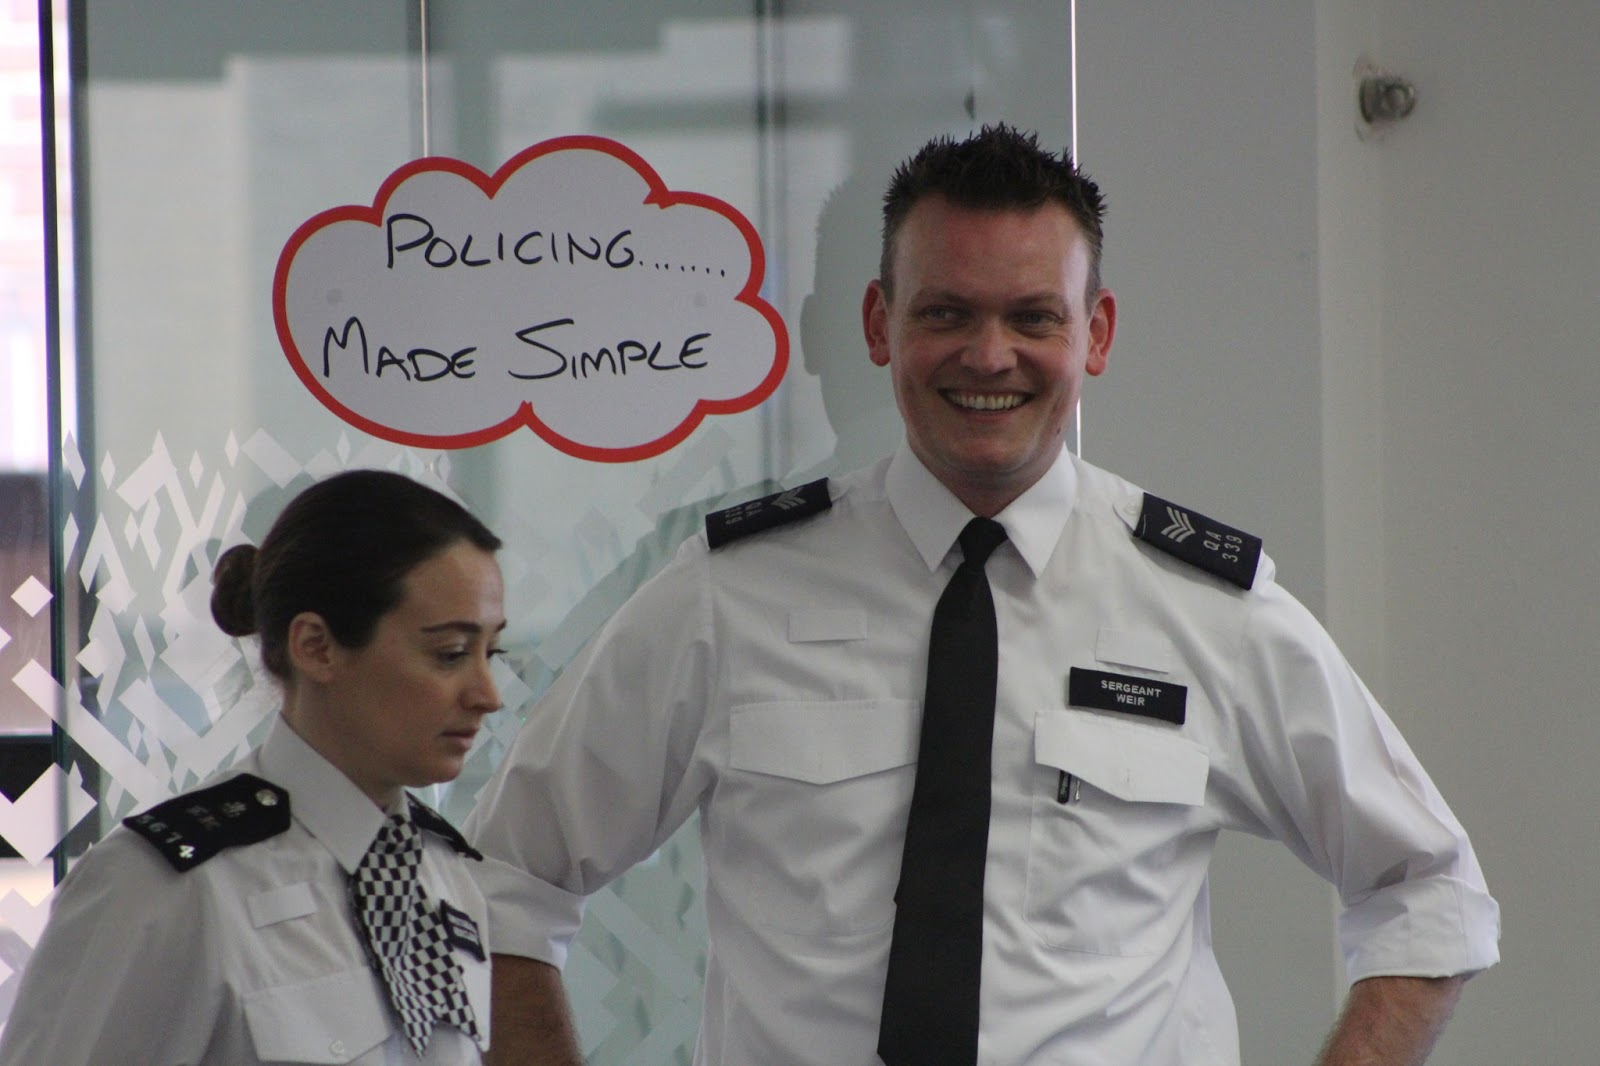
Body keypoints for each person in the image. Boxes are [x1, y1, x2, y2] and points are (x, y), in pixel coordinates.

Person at [464, 125, 1499, 1065]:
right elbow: (506, 878)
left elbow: (1428, 887)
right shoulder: (727, 596)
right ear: (879, 324)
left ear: (1094, 334)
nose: (989, 355)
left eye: (1031, 317)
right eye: (946, 313)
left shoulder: (1204, 606)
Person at [0, 469, 507, 1065]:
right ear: (316, 647)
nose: (487, 693)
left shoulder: (446, 877)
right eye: (449, 654)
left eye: (491, 652)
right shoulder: (166, 888)